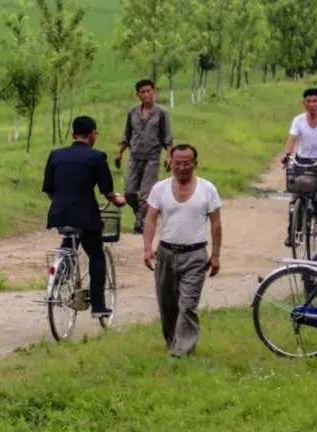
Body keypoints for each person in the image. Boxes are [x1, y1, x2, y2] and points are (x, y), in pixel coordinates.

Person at [142, 145, 222, 358]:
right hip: (166, 253)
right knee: (167, 305)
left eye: (187, 163)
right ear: (170, 162)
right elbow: (150, 218)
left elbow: (216, 224)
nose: (182, 167)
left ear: (195, 164)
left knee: (187, 305)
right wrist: (147, 248)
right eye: (177, 163)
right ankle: (173, 341)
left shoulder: (208, 189)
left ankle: (181, 352)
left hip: (195, 255)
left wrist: (215, 255)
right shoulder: (160, 188)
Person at [43, 115, 127, 319]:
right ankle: (98, 306)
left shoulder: (56, 155)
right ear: (92, 136)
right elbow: (107, 192)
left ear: (73, 135)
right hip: (86, 213)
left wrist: (61, 201)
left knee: (70, 239)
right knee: (96, 255)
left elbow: (48, 188)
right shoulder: (97, 157)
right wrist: (119, 201)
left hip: (60, 212)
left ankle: (62, 270)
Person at [280, 88, 317, 247]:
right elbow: (292, 139)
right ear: (304, 104)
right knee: (296, 196)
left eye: (315, 101)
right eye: (308, 101)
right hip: (302, 161)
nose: (312, 104)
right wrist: (286, 154)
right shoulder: (298, 120)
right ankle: (292, 233)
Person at [114, 79, 173, 235]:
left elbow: (167, 136)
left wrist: (169, 155)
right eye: (143, 92)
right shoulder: (132, 112)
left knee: (147, 194)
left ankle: (140, 225)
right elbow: (127, 134)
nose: (146, 94)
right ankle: (141, 213)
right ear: (137, 94)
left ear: (154, 91)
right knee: (129, 192)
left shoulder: (161, 113)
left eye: (149, 91)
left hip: (152, 157)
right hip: (135, 156)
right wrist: (120, 152)